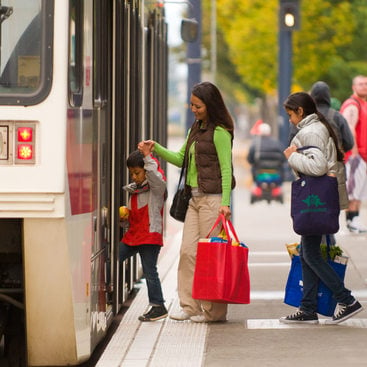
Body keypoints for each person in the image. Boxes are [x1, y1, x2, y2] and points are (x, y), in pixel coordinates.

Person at [139, 81, 235, 323]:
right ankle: (189, 306)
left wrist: (226, 203)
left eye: (198, 106)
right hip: (194, 199)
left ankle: (213, 311)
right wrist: (156, 149)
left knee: (210, 256)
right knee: (188, 252)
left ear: (210, 105)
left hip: (213, 201)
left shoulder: (221, 133)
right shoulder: (196, 128)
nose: (193, 109)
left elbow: (226, 169)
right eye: (191, 105)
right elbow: (181, 158)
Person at [280, 92, 363, 324]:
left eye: (290, 115)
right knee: (308, 253)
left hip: (313, 201)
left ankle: (346, 300)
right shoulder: (315, 128)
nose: (289, 120)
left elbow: (317, 167)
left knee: (312, 255)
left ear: (300, 111)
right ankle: (307, 309)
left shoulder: (311, 132)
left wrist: (292, 157)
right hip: (317, 200)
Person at [119, 148, 167, 321]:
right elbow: (130, 219)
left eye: (137, 173)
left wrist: (147, 157)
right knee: (116, 255)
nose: (133, 177)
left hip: (150, 236)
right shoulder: (134, 190)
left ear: (146, 170)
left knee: (149, 271)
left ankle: (158, 305)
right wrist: (123, 219)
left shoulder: (156, 188)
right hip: (134, 235)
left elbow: (156, 178)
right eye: (131, 173)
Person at [310, 81, 355, 245]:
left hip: (311, 168)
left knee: (312, 205)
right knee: (331, 205)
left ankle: (314, 240)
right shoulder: (337, 117)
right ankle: (329, 240)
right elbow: (349, 143)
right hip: (334, 169)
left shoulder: (305, 117)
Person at [340, 75, 367, 233]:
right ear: (353, 87)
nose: (364, 86)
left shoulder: (363, 104)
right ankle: (351, 221)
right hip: (355, 156)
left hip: (363, 156)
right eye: (360, 84)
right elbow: (349, 128)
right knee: (353, 189)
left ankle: (356, 218)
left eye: (366, 84)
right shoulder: (352, 105)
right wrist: (355, 153)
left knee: (360, 190)